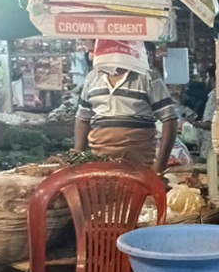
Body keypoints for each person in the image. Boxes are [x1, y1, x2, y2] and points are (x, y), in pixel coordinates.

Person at [74, 40, 178, 173]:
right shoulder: (92, 78)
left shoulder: (148, 77)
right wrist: (77, 155)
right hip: (99, 163)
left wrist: (161, 163)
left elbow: (169, 119)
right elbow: (82, 118)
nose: (91, 56)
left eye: (93, 51)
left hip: (140, 163)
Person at [188, 66, 217, 161]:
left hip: (209, 147)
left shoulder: (213, 95)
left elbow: (210, 124)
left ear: (213, 78)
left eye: (207, 77)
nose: (206, 80)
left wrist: (195, 123)